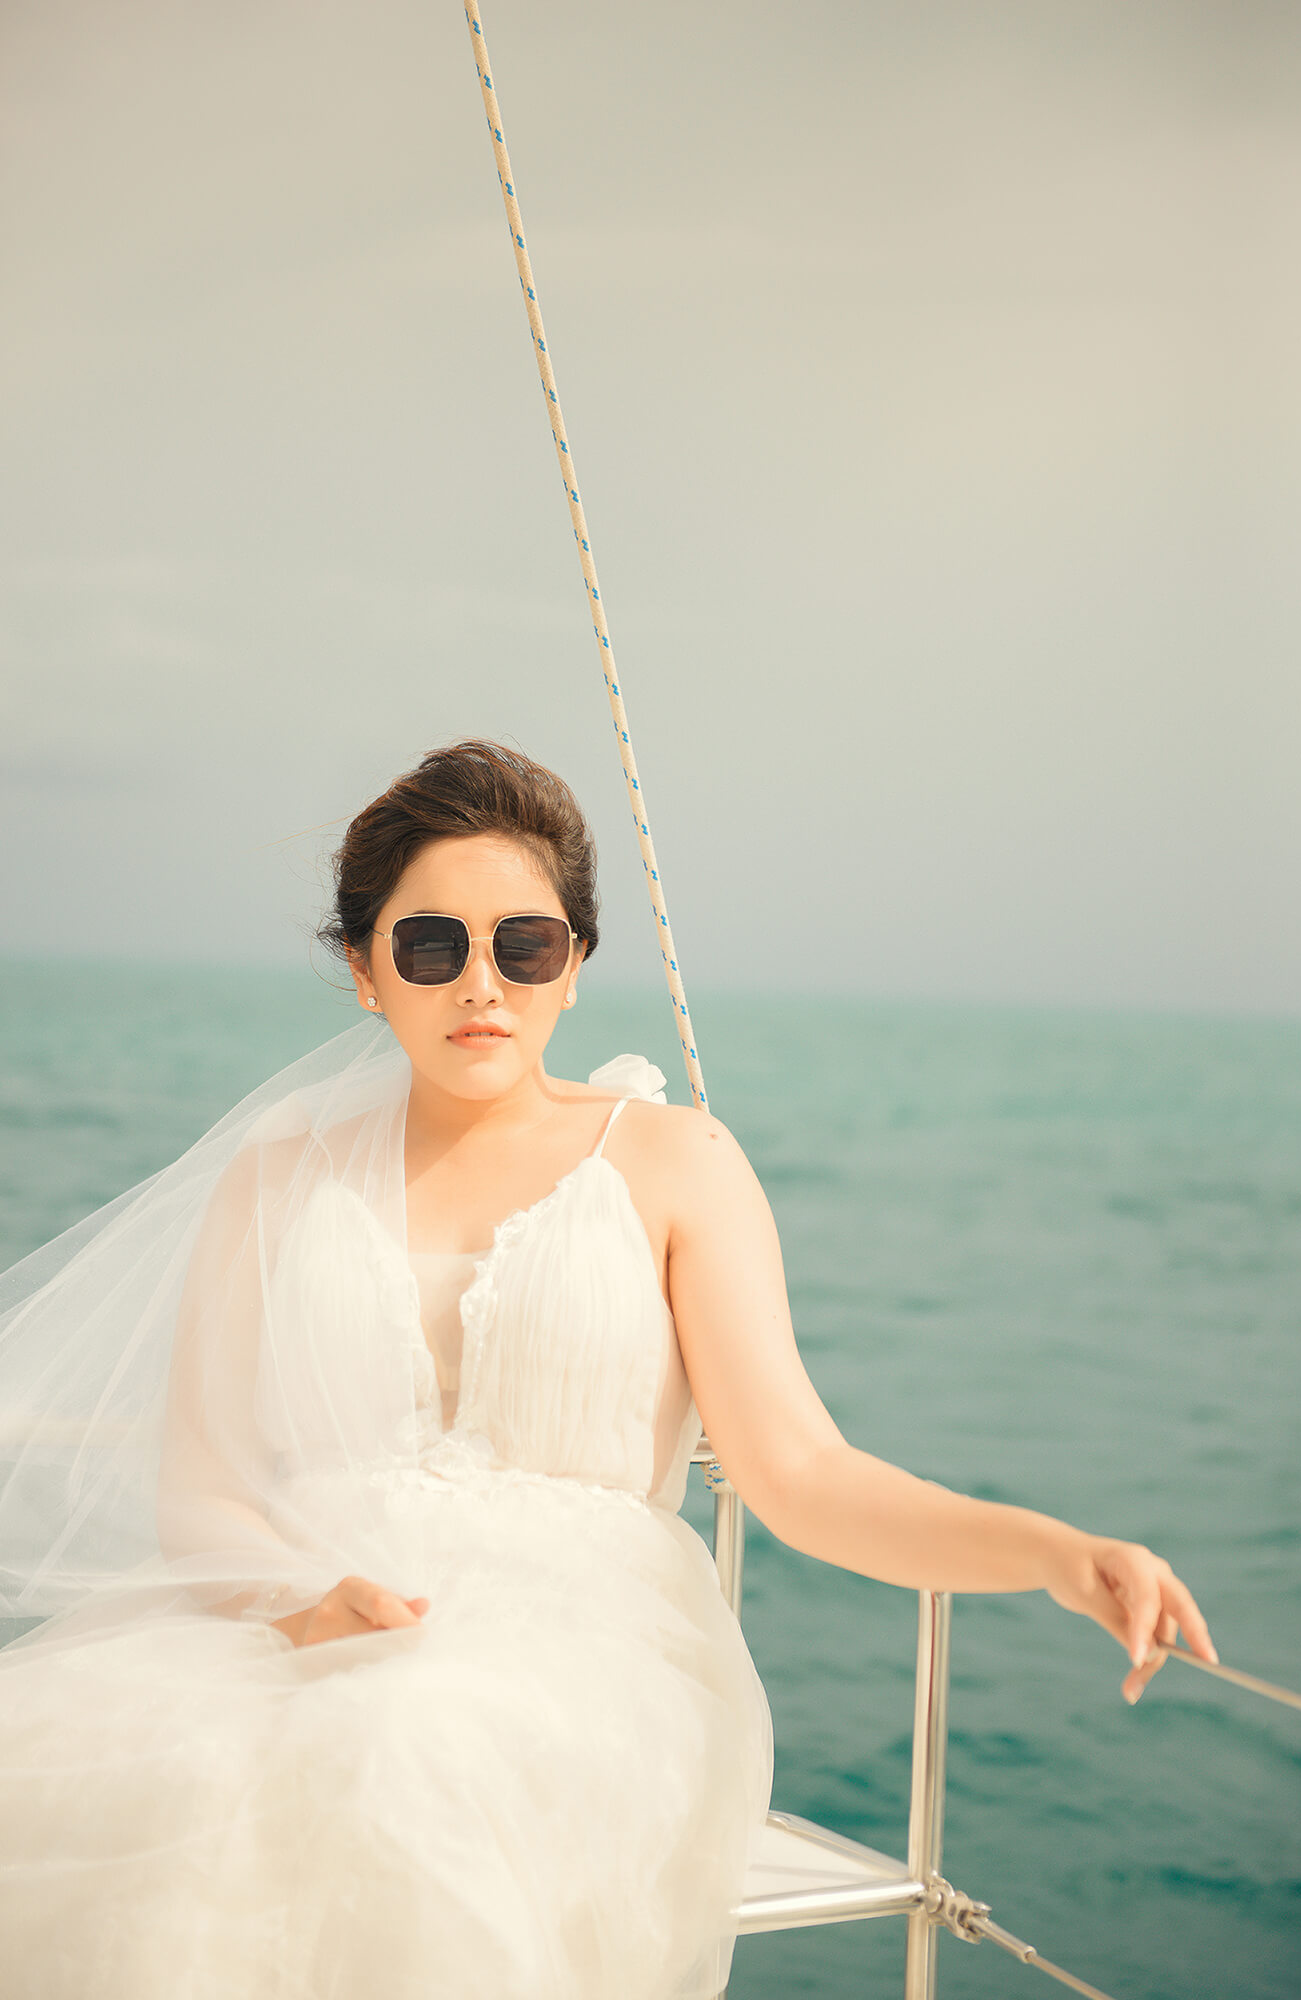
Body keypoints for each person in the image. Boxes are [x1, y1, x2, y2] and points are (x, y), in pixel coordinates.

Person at [0, 737, 1215, 2000]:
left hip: (574, 1657)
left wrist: (1058, 1556)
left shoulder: (675, 1161)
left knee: (407, 1766)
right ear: (365, 970)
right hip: (287, 1620)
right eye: (430, 945)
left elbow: (798, 1471)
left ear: (572, 964)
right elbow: (199, 1485)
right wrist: (297, 1602)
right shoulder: (275, 1172)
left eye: (522, 944)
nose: (481, 982)